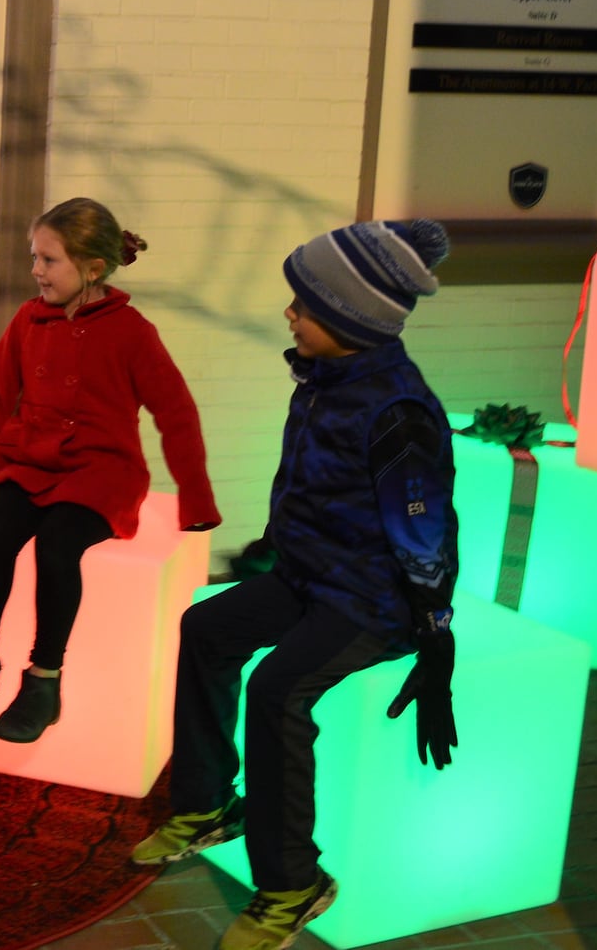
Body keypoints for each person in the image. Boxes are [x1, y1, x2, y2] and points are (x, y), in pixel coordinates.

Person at [131, 218, 459, 950]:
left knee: (279, 688)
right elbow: (312, 486)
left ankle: (292, 883)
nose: (290, 314)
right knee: (205, 628)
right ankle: (209, 803)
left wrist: (434, 630)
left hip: (375, 598)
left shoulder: (397, 409)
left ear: (349, 317)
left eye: (304, 305)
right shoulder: (323, 380)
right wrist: (274, 547)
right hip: (312, 573)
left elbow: (423, 525)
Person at [0, 198, 219, 743]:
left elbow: (176, 411)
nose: (36, 271)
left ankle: (44, 681)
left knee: (58, 545)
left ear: (92, 269)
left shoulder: (132, 332)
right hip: (30, 457)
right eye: (35, 258)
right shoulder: (28, 320)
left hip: (100, 468)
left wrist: (196, 497)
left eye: (49, 260)